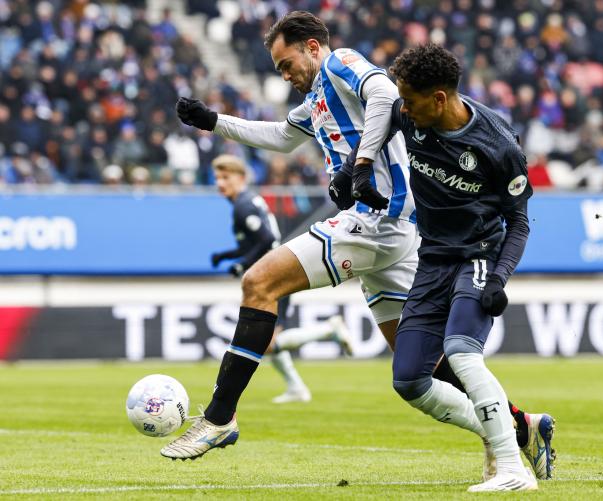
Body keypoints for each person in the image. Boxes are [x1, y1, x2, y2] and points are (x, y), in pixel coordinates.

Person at [162, 12, 553, 483]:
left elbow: (386, 93)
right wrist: (214, 122)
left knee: (259, 282)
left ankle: (220, 416)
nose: (284, 75)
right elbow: (284, 138)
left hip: (374, 220)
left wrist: (360, 163)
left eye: (287, 64)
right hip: (399, 233)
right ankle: (520, 428)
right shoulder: (318, 99)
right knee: (421, 370)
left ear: (311, 47)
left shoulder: (341, 63)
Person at [369, 43, 549, 491]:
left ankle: (511, 470)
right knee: (409, 381)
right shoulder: (407, 113)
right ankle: (519, 431)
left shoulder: (498, 144)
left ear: (440, 99)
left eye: (410, 99)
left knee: (463, 352)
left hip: (480, 256)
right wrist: (358, 166)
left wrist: (500, 279)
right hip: (432, 260)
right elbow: (378, 117)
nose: (402, 108)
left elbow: (520, 222)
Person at [210, 154, 353, 404]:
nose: (220, 183)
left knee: (264, 341)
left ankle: (328, 331)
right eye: (217, 178)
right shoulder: (246, 202)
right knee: (269, 338)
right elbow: (257, 242)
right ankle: (296, 387)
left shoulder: (243, 206)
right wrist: (225, 256)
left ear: (241, 178)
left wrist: (242, 264)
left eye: (226, 177)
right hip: (273, 273)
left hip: (273, 278)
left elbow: (265, 241)